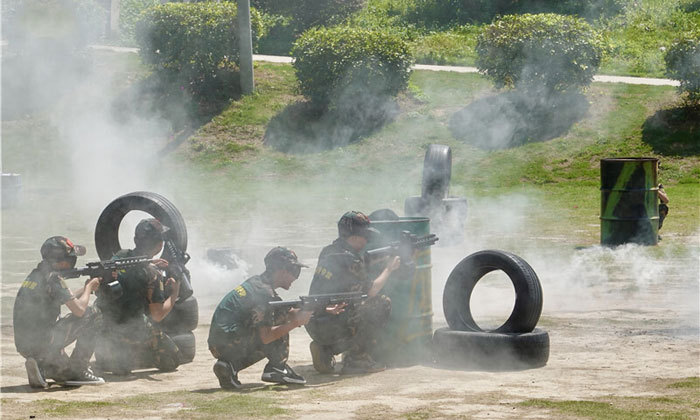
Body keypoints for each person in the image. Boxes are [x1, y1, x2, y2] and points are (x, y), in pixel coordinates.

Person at [208, 247, 320, 389]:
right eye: (294, 271)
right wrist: (296, 322)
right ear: (282, 270)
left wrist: (319, 309)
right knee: (280, 323)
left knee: (280, 316)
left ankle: (230, 366)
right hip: (228, 342)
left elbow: (289, 311)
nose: (296, 277)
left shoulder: (259, 284)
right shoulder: (264, 294)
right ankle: (277, 368)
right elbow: (267, 336)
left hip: (220, 343)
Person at [306, 211, 401, 375]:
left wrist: (382, 256)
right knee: (381, 303)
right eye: (365, 236)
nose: (366, 241)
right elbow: (372, 290)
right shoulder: (352, 260)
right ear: (355, 236)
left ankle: (326, 349)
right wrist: (389, 268)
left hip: (315, 323)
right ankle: (357, 359)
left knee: (350, 306)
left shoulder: (328, 251)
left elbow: (353, 266)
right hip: (333, 325)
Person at [13, 236, 105, 388]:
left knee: (67, 375)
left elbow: (66, 299)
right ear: (60, 260)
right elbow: (80, 311)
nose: (72, 261)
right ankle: (80, 369)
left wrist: (86, 287)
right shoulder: (54, 278)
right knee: (93, 314)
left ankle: (41, 366)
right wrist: (89, 289)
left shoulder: (36, 274)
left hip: (26, 345)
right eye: (70, 258)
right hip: (43, 342)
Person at [96, 218, 181, 374]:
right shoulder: (152, 274)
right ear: (158, 245)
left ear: (136, 239)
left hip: (102, 334)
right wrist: (175, 292)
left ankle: (119, 356)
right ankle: (133, 353)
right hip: (129, 329)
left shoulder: (120, 256)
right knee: (173, 359)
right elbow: (157, 314)